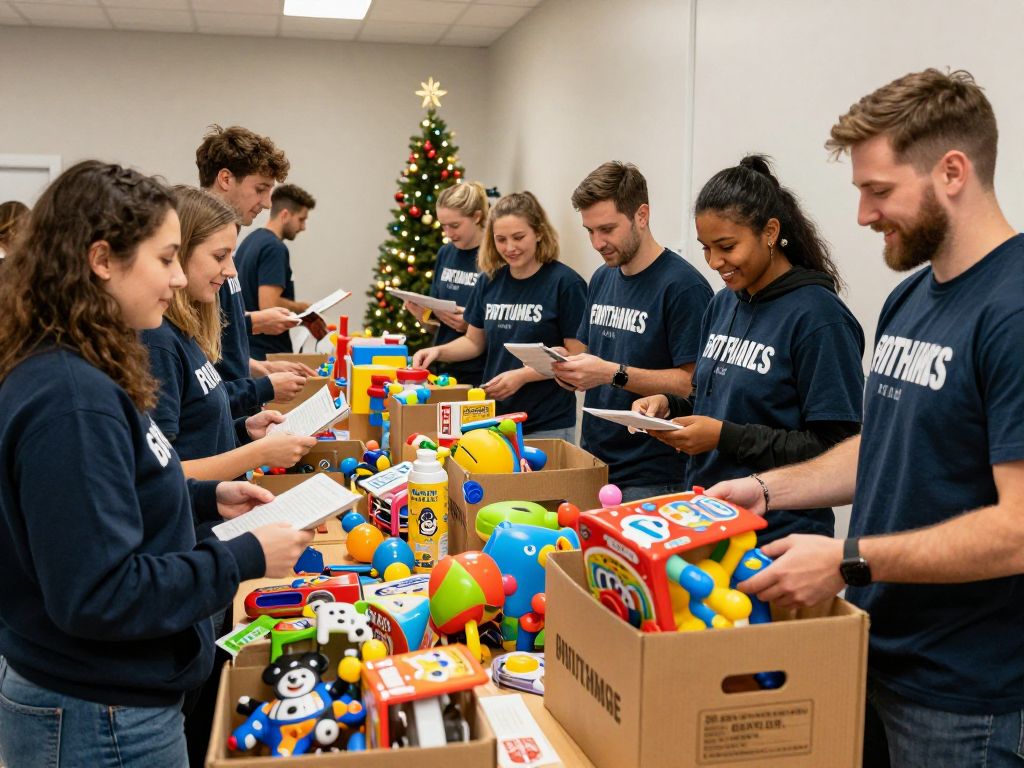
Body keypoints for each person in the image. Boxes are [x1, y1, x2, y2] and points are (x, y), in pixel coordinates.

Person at [709, 70, 1024, 767]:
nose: (861, 216)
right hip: (877, 654)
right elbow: (881, 448)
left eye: (878, 191)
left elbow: (1018, 529)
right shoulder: (910, 300)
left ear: (952, 171)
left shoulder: (1012, 311)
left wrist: (848, 560)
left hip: (965, 701)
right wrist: (764, 492)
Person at [0, 161, 312, 767]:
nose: (175, 280)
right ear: (102, 260)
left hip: (114, 697)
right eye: (165, 258)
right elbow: (98, 593)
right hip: (99, 710)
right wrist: (244, 557)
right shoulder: (70, 399)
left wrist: (206, 498)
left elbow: (119, 493)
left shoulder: (89, 370)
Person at [632, 156, 864, 542]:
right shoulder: (723, 304)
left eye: (726, 247)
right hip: (707, 518)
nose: (714, 262)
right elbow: (718, 405)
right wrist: (669, 408)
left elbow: (835, 449)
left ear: (770, 232)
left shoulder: (819, 319)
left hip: (780, 533)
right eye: (706, 248)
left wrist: (723, 437)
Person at [552, 162, 713, 500]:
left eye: (607, 229)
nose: (597, 242)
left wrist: (613, 374)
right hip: (595, 459)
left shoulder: (683, 287)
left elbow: (692, 384)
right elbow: (591, 355)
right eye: (590, 231)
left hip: (653, 472)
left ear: (642, 215)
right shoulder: (602, 278)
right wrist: (568, 368)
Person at [142, 186, 316, 481]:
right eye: (220, 256)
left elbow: (199, 431)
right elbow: (162, 476)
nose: (231, 270)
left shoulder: (188, 331)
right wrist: (259, 454)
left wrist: (244, 429)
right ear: (180, 255)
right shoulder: (158, 342)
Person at [413, 192, 587, 439]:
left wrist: (522, 376)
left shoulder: (565, 283)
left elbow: (578, 356)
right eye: (500, 239)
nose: (510, 248)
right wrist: (439, 351)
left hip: (547, 423)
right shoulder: (489, 280)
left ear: (538, 232)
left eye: (518, 237)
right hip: (495, 419)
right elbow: (474, 342)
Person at [195, 125, 309, 415]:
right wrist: (264, 386)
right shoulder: (195, 250)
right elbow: (197, 361)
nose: (267, 202)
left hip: (236, 404)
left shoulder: (232, 238)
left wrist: (259, 368)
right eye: (260, 189)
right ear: (225, 178)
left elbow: (220, 336)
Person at [403, 181, 489, 385]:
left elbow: (500, 324)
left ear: (477, 217)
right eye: (443, 226)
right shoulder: (446, 252)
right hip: (441, 367)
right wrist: (422, 316)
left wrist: (472, 322)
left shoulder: (491, 257)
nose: (448, 233)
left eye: (455, 225)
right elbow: (436, 325)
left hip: (478, 371)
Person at [235, 183, 317, 361]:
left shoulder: (250, 240)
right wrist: (303, 309)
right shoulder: (275, 248)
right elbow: (268, 305)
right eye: (301, 219)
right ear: (285, 215)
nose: (303, 227)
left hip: (247, 348)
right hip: (267, 353)